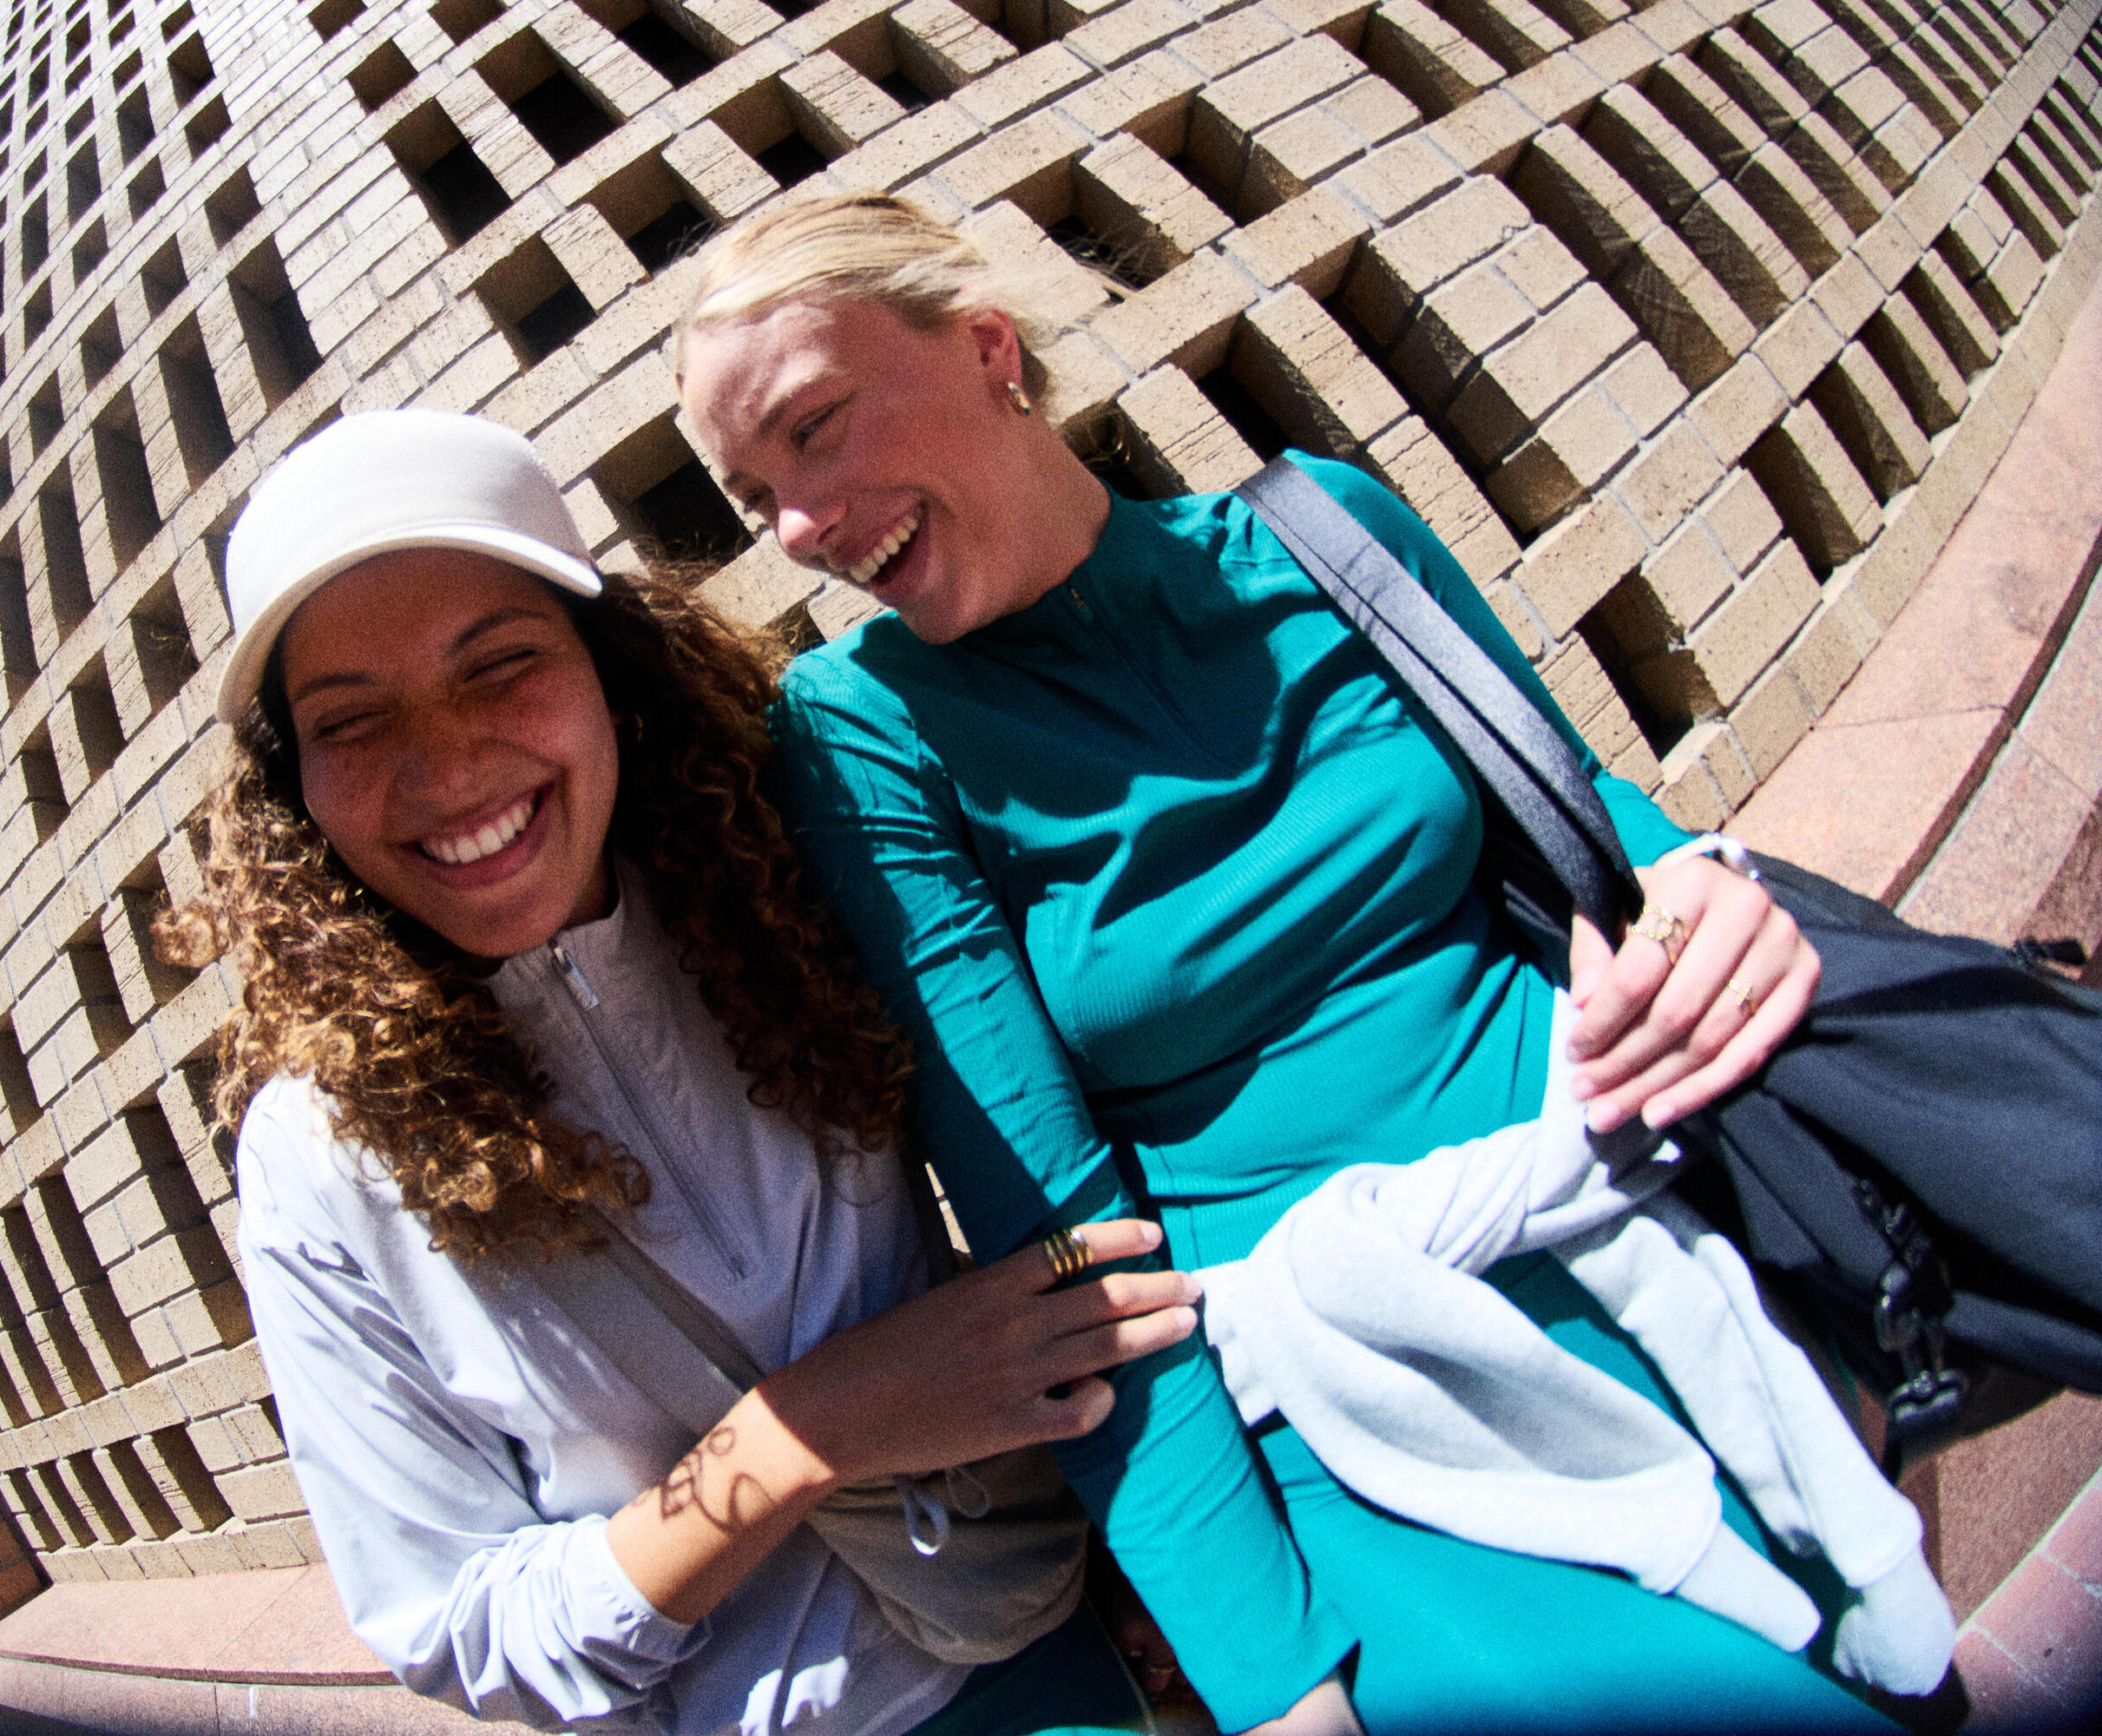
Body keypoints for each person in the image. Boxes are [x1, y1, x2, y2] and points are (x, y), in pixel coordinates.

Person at [673, 193, 1931, 1736]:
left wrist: (1683, 877)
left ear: (989, 348)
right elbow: (1060, 1240)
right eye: (753, 499)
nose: (798, 528)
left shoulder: (1320, 526)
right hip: (1359, 1386)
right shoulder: (862, 734)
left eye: (813, 430)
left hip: (1669, 1210)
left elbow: (1560, 792)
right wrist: (1272, 1675)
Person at [161, 407, 1205, 1736]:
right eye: (351, 722)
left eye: (499, 666)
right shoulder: (315, 1160)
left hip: (1084, 1631)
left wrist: (1151, 1528)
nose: (445, 763)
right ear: (290, 786)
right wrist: (799, 1435)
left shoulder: (794, 883)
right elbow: (459, 1628)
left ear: (613, 669)